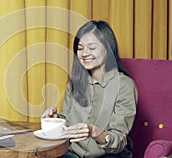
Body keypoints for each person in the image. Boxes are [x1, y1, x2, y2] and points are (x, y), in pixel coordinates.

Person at [41, 20, 138, 157]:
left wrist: (95, 132)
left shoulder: (124, 86)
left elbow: (119, 140)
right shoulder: (75, 83)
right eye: (80, 48)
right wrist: (55, 120)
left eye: (92, 48)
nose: (84, 53)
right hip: (72, 154)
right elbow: (67, 124)